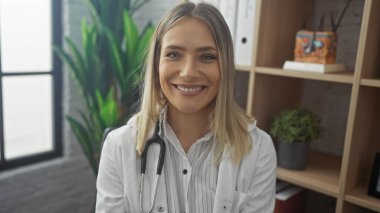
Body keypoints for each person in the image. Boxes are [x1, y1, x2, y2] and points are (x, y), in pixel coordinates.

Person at [96, 2, 276, 213]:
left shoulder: (257, 148)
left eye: (207, 56)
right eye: (173, 54)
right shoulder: (118, 147)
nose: (189, 72)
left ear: (225, 66)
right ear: (156, 64)